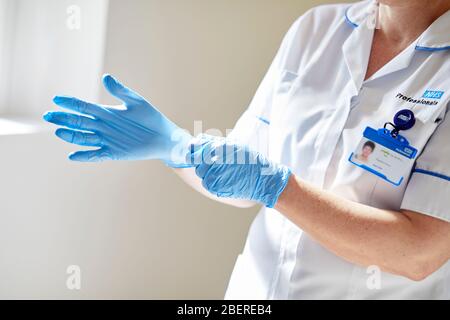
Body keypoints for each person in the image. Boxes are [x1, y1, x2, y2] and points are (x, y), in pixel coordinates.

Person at [44, 0, 450, 299]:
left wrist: (278, 188)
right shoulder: (318, 29)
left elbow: (418, 253)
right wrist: (174, 144)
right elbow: (241, 177)